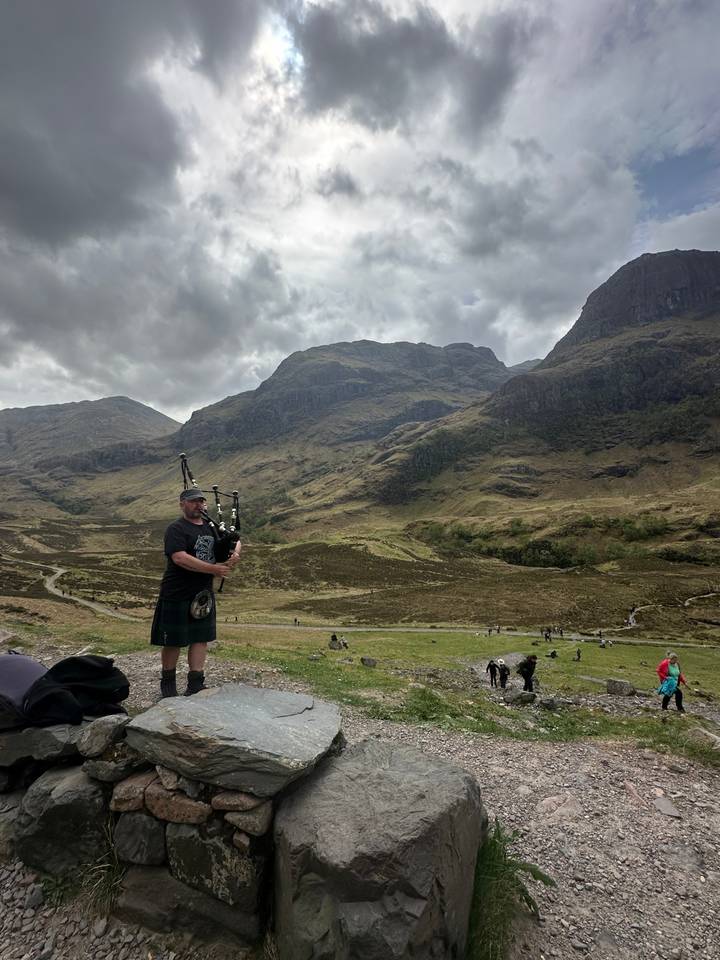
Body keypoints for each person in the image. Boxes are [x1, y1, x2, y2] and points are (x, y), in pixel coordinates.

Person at [151, 488, 241, 698]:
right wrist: (214, 569)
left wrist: (235, 553)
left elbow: (234, 539)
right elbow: (179, 558)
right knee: (173, 640)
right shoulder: (176, 529)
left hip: (202, 593)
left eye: (201, 501)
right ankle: (168, 685)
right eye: (193, 502)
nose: (198, 505)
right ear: (182, 504)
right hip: (177, 591)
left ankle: (196, 684)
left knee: (200, 638)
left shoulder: (211, 527)